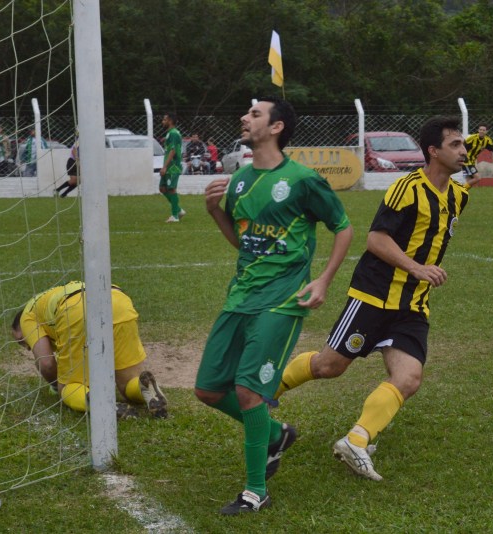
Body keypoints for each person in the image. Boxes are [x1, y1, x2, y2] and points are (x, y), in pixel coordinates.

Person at [273, 115, 470, 482]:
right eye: (455, 144)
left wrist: (419, 276)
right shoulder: (406, 188)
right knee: (330, 366)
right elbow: (376, 240)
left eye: (463, 143)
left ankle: (356, 440)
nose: (463, 149)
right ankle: (267, 390)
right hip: (374, 296)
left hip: (412, 304)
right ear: (433, 151)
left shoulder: (459, 196)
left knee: (409, 378)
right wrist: (417, 267)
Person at [194, 96, 353, 515]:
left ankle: (255, 491)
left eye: (255, 114)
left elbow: (343, 227)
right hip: (241, 294)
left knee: (248, 391)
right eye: (246, 113)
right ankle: (277, 434)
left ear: (277, 127)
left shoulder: (302, 179)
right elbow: (242, 242)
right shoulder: (240, 180)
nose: (244, 118)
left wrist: (322, 280)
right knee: (208, 389)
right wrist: (215, 212)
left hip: (283, 300)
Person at [11, 281, 168, 418]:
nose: (26, 347)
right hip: (118, 300)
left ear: (20, 325)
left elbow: (47, 364)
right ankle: (144, 388)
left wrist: (56, 385)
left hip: (76, 309)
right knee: (127, 383)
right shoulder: (48, 299)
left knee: (70, 388)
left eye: (21, 340)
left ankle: (101, 404)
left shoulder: (27, 316)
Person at [159, 113, 186, 222]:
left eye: (164, 119)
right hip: (169, 165)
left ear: (170, 121)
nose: (162, 121)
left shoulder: (174, 133)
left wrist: (165, 167)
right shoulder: (170, 133)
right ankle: (178, 210)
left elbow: (173, 150)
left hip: (173, 166)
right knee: (162, 188)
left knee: (171, 189)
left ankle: (175, 216)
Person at [55, 132, 79, 197]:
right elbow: (74, 150)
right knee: (74, 180)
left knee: (78, 181)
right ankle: (57, 190)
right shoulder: (79, 141)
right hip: (73, 161)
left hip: (79, 162)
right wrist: (77, 159)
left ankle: (63, 194)